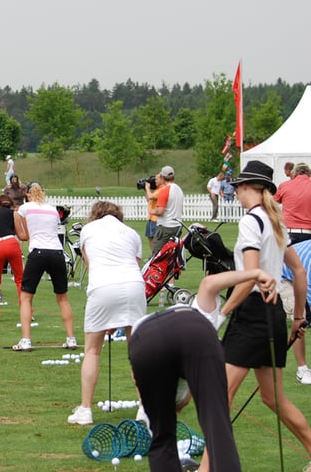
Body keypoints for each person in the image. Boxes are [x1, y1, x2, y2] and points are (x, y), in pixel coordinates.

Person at [130, 270, 276, 472]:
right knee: (217, 428)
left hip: (144, 340)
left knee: (162, 438)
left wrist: (149, 404)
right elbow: (209, 282)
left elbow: (138, 378)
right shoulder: (200, 314)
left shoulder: (196, 315)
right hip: (191, 334)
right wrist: (255, 273)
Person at [218, 160, 311, 462]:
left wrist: (222, 313)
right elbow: (299, 273)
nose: (235, 193)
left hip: (252, 313)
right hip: (272, 317)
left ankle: (211, 466)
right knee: (273, 398)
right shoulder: (275, 222)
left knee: (221, 396)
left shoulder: (251, 221)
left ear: (247, 187)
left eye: (237, 188)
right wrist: (298, 317)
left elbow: (250, 275)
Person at [67, 201, 146, 426]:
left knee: (92, 351)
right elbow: (134, 263)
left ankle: (85, 410)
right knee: (138, 352)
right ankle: (145, 408)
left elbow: (91, 265)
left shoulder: (87, 230)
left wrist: (109, 318)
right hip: (134, 286)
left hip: (103, 287)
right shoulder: (131, 233)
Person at [11, 182, 76, 351]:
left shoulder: (25, 208)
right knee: (62, 297)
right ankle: (71, 338)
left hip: (38, 252)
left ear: (28, 194)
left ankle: (26, 340)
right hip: (56, 253)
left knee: (26, 297)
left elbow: (23, 233)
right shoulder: (52, 209)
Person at [0, 194, 23, 323]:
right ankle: (26, 311)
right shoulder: (14, 214)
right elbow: (20, 234)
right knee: (20, 279)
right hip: (11, 242)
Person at [279, 238, 311, 385]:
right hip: (282, 275)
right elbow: (306, 288)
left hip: (298, 272)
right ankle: (302, 369)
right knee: (300, 317)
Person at [274, 162, 311, 244]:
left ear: (294, 173)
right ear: (309, 174)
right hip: (308, 232)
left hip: (288, 231)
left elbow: (274, 201)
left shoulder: (284, 185)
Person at [151, 165, 184, 258]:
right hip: (177, 226)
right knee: (172, 254)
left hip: (166, 226)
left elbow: (160, 211)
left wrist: (153, 211)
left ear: (162, 177)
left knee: (157, 255)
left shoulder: (164, 191)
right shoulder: (179, 189)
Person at [142, 173, 164, 254]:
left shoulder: (162, 189)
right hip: (150, 217)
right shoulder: (156, 190)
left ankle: (157, 255)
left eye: (157, 179)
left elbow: (151, 196)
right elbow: (149, 199)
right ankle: (152, 255)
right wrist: (145, 189)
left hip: (156, 218)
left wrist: (148, 188)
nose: (155, 181)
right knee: (149, 237)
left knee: (155, 238)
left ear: (162, 180)